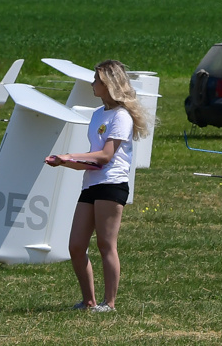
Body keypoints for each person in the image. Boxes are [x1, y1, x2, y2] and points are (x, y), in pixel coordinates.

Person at [44, 59, 149, 313]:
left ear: (108, 84)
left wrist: (69, 156)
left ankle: (109, 303)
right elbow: (92, 160)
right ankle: (89, 302)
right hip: (91, 184)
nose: (93, 83)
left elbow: (105, 157)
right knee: (76, 246)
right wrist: (64, 163)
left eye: (96, 80)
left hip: (112, 184)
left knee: (105, 245)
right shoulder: (97, 115)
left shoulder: (121, 116)